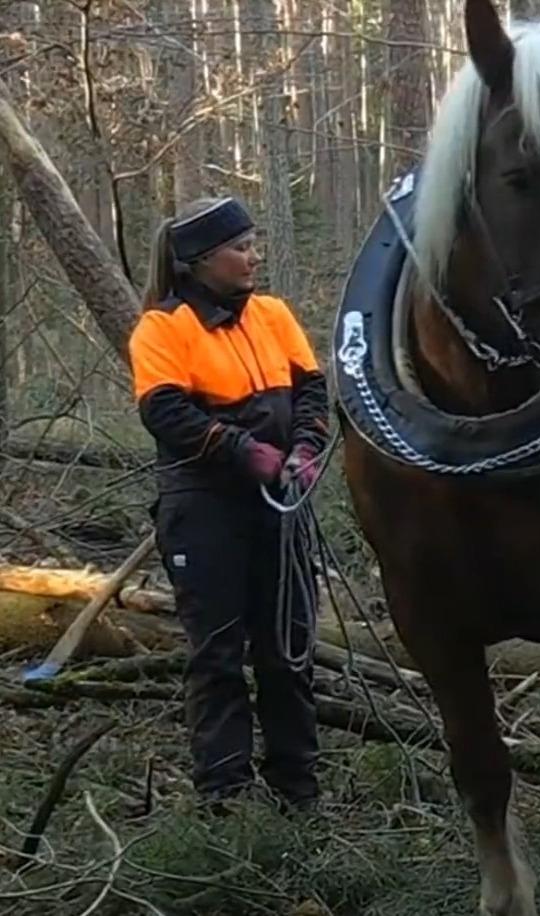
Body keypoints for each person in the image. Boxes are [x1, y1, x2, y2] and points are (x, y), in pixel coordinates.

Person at [127, 196, 330, 812]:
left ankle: (298, 793)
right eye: (240, 248)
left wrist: (306, 447)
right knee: (217, 656)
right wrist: (245, 451)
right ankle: (225, 798)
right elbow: (164, 412)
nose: (253, 257)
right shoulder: (163, 327)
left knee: (289, 651)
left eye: (251, 244)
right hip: (204, 509)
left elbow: (313, 390)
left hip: (282, 508)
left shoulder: (272, 315)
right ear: (199, 261)